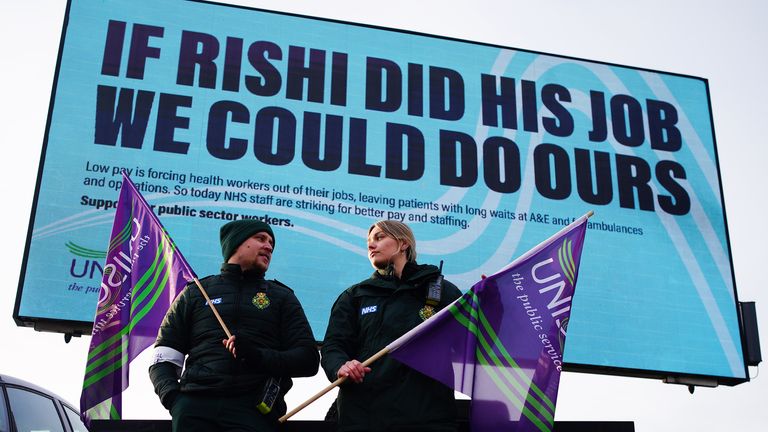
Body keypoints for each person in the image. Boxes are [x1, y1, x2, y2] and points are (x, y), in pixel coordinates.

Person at [149, 219, 319, 432]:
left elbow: (308, 360)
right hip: (195, 407)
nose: (268, 246)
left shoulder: (282, 297)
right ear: (235, 243)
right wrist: (174, 400)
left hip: (254, 411)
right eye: (260, 238)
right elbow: (163, 356)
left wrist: (257, 355)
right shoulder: (196, 292)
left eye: (271, 243)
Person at [321, 220, 462, 431]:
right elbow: (333, 346)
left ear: (403, 244)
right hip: (364, 418)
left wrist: (493, 304)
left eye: (379, 238)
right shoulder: (355, 296)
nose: (371, 246)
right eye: (369, 241)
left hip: (428, 417)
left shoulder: (442, 291)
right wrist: (341, 366)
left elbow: (471, 340)